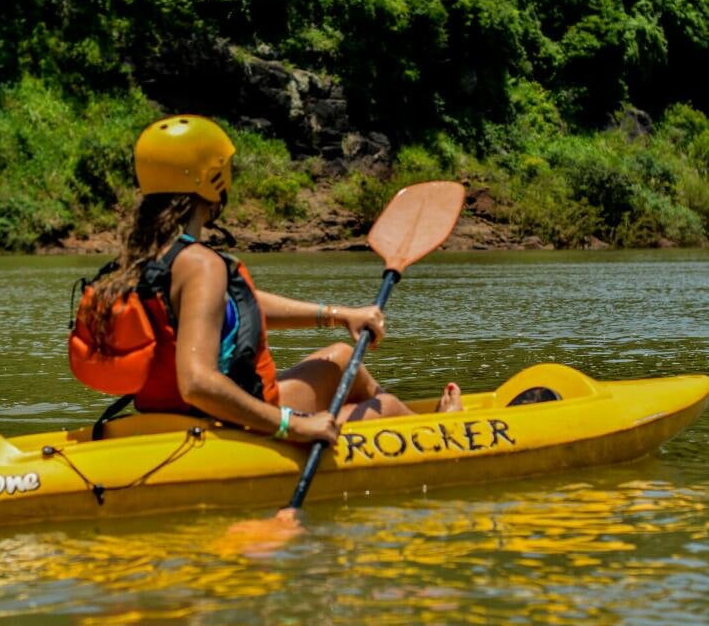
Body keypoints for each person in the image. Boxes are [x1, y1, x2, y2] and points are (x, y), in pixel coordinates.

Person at [72, 115, 462, 447]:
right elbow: (196, 383)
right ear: (212, 179)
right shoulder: (200, 265)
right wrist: (291, 426)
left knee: (343, 357)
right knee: (388, 410)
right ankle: (448, 434)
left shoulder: (141, 260)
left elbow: (225, 311)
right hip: (222, 422)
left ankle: (412, 424)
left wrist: (337, 314)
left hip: (165, 417)